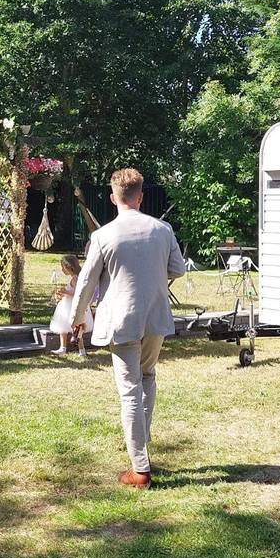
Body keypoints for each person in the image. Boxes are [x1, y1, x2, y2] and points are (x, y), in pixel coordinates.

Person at [70, 168, 186, 489]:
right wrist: (154, 283)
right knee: (146, 378)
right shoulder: (162, 229)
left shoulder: (103, 235)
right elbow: (177, 269)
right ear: (141, 196)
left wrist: (77, 316)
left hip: (121, 319)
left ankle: (139, 467)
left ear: (112, 198)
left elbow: (86, 282)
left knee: (129, 390)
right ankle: (141, 447)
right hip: (155, 317)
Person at [50, 254, 93, 356]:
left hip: (73, 306)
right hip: (67, 304)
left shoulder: (76, 278)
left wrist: (65, 292)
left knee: (77, 328)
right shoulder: (75, 277)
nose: (62, 269)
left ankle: (81, 350)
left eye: (63, 267)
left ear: (69, 267)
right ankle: (62, 348)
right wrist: (63, 293)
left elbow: (78, 293)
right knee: (63, 327)